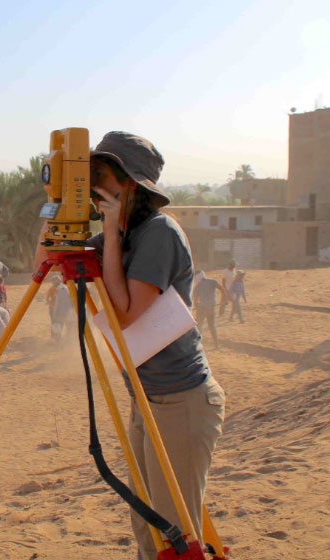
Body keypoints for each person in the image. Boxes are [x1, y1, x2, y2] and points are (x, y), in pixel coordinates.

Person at [35, 131, 224, 555]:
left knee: (172, 531)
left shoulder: (158, 232)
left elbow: (122, 314)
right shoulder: (122, 233)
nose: (95, 182)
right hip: (147, 399)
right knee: (146, 521)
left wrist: (110, 233)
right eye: (91, 173)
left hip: (182, 401)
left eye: (103, 173)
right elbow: (44, 261)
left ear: (130, 184)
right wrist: (56, 200)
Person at [192, 270, 221, 347]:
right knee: (212, 325)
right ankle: (216, 344)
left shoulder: (197, 286)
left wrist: (196, 307)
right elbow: (221, 288)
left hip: (202, 307)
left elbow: (195, 299)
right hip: (211, 306)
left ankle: (198, 344)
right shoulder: (213, 281)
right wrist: (225, 298)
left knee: (199, 326)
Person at [46, 275, 74, 340]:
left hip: (57, 309)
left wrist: (50, 304)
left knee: (57, 323)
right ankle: (64, 338)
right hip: (64, 309)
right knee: (65, 324)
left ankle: (57, 338)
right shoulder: (65, 288)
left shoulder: (55, 289)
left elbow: (48, 299)